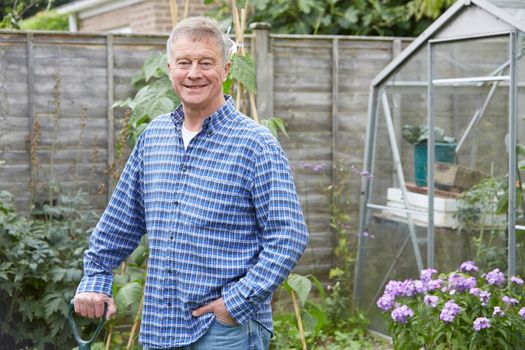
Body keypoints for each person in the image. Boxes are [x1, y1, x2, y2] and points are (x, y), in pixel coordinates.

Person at [73, 16, 309, 350]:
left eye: (206, 63)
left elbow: (289, 236)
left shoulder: (255, 145)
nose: (194, 73)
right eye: (184, 62)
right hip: (159, 328)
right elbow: (120, 221)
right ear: (170, 68)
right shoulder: (153, 137)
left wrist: (235, 304)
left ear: (226, 70)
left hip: (225, 332)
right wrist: (95, 278)